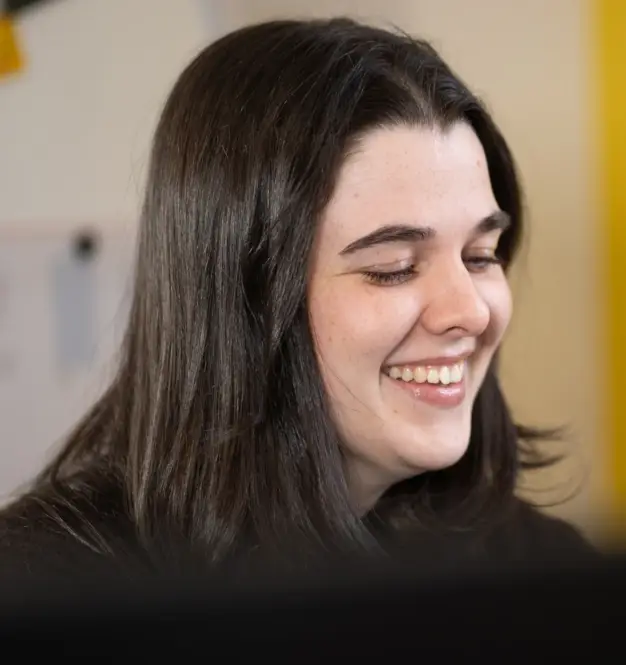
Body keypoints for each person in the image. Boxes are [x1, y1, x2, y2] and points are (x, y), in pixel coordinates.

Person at [0, 17, 593, 580]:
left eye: (480, 255)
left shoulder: (541, 567)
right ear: (242, 298)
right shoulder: (42, 588)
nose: (471, 311)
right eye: (393, 269)